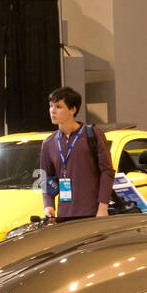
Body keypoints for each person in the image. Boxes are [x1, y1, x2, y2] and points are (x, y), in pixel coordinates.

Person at [40, 86, 113, 222]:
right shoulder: (49, 143)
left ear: (72, 109)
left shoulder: (93, 134)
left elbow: (107, 171)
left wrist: (103, 207)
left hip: (92, 211)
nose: (52, 111)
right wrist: (48, 205)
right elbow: (46, 178)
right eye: (51, 106)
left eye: (58, 107)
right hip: (64, 214)